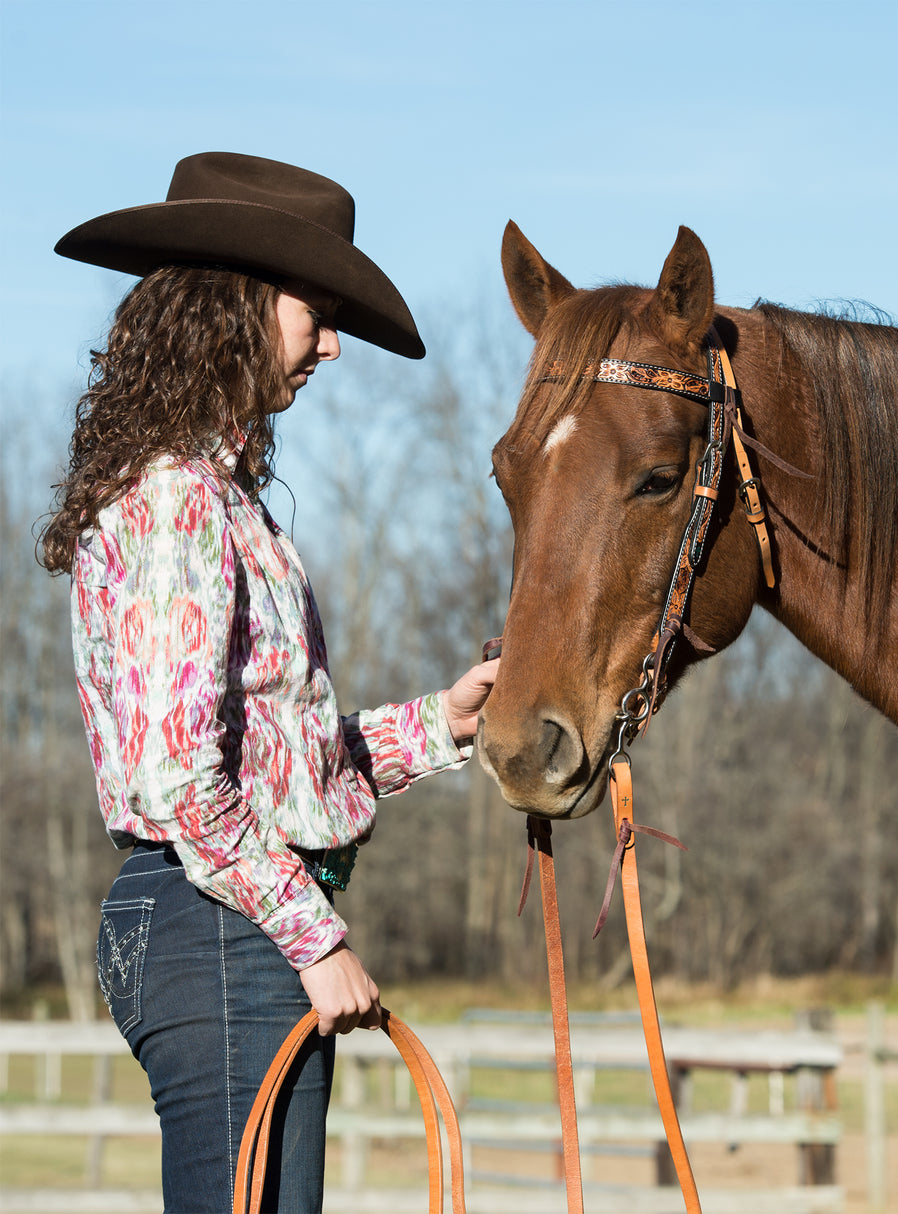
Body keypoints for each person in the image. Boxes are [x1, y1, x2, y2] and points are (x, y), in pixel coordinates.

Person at [38, 152, 499, 1212]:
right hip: (215, 916)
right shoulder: (174, 500)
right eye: (317, 312)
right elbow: (179, 781)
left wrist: (445, 721)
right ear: (238, 303)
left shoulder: (217, 495)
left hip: (224, 913)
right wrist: (314, 933)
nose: (331, 343)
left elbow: (267, 754)